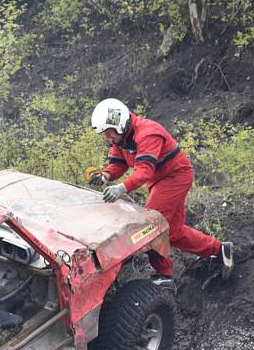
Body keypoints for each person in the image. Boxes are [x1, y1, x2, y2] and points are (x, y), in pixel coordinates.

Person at [88, 98, 233, 288]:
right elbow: (118, 164)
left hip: (175, 177)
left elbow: (144, 172)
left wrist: (121, 188)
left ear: (120, 124)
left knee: (151, 225)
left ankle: (164, 275)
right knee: (173, 232)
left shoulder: (148, 133)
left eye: (109, 133)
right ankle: (220, 250)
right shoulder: (121, 139)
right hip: (160, 180)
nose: (108, 139)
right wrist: (105, 175)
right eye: (105, 135)